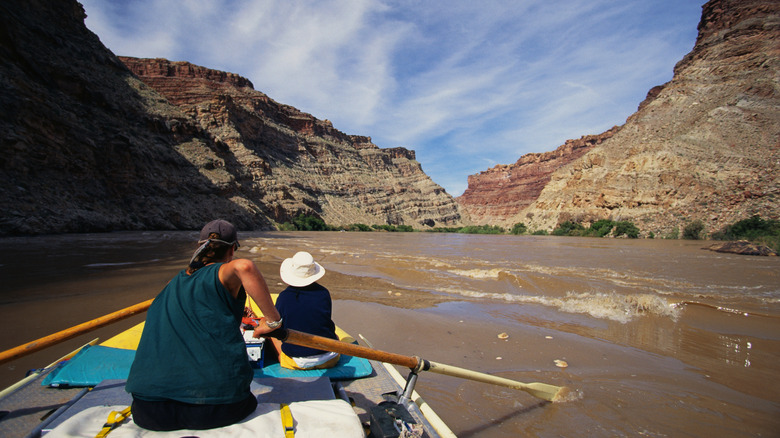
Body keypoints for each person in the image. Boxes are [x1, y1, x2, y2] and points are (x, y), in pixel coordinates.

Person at [125, 219, 282, 431]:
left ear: (198, 247)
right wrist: (273, 321)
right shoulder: (223, 272)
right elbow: (245, 267)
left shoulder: (172, 284)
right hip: (216, 409)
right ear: (232, 250)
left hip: (148, 411)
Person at [270, 251, 341, 370]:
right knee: (336, 336)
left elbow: (277, 326)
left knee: (272, 334)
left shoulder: (283, 297)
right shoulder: (324, 293)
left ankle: (280, 358)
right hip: (330, 358)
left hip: (297, 362)